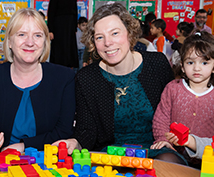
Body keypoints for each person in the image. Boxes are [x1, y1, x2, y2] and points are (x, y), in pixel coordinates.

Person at [54, 3, 186, 165]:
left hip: (156, 147)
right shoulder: (86, 78)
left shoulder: (157, 64)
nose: (107, 43)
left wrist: (172, 140)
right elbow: (86, 128)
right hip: (111, 153)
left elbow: (175, 111)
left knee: (167, 163)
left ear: (129, 33)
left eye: (114, 33)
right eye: (99, 37)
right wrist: (76, 143)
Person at [0, 8, 75, 155]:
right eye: (22, 34)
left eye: (37, 35)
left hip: (47, 164)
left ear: (45, 42)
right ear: (9, 41)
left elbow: (63, 132)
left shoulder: (64, 78)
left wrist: (23, 146)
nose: (30, 42)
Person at [151, 31, 214, 166]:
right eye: (190, 62)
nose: (196, 68)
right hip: (176, 150)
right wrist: (162, 139)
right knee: (163, 163)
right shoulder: (173, 88)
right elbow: (161, 118)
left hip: (206, 153)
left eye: (204, 63)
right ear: (183, 66)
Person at [47, 0, 79, 68]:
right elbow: (51, 12)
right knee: (59, 47)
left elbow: (75, 12)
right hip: (58, 25)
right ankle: (57, 68)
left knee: (70, 47)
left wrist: (75, 27)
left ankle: (70, 67)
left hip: (70, 25)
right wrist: (50, 30)